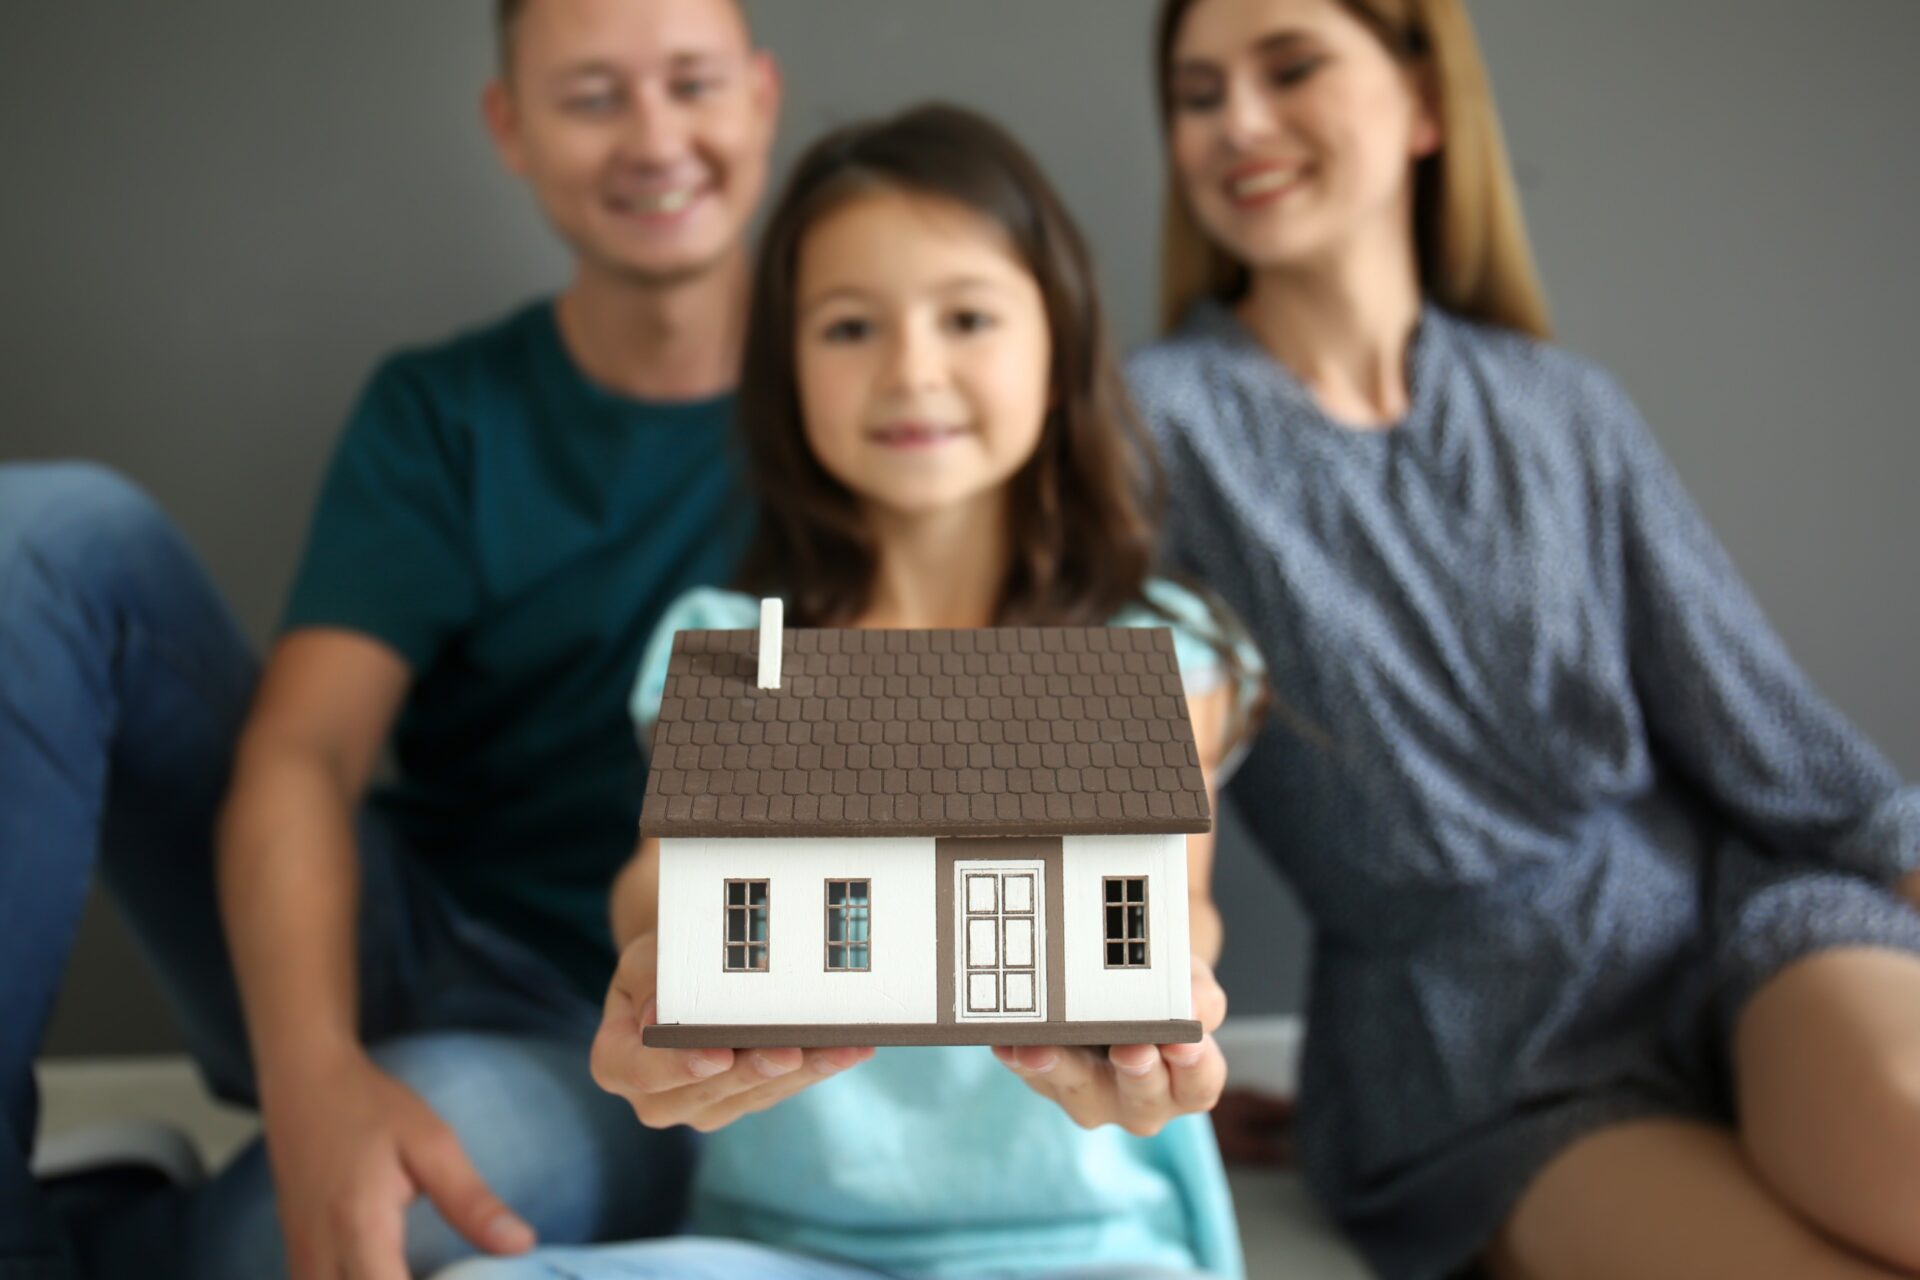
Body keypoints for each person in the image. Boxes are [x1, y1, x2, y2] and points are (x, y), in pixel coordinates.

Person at [1128, 1, 1920, 1278]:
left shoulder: (1562, 406)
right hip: (1471, 1048)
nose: (1240, 124)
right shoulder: (1150, 437)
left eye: (1290, 69)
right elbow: (1123, 766)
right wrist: (1132, 1037)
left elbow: (1773, 739)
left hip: (1731, 927)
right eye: (1199, 91)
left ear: (1425, 102)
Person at [0, 0, 780, 1275]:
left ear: (757, 96)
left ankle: (125, 1218)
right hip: (405, 938)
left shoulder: (879, 405)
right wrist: (313, 1081)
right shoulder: (447, 412)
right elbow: (303, 753)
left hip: (629, 1038)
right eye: (593, 97)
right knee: (49, 532)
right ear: (510, 127)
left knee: (332, 1235)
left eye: (691, 83)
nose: (654, 138)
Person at [436, 102, 1260, 1280]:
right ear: (784, 372)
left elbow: (1177, 900)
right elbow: (662, 881)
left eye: (968, 316)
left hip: (1087, 1243)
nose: (911, 370)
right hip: (777, 1248)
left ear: (1061, 342)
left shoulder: (1164, 648)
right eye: (849, 326)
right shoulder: (725, 648)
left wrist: (1165, 997)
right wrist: (658, 966)